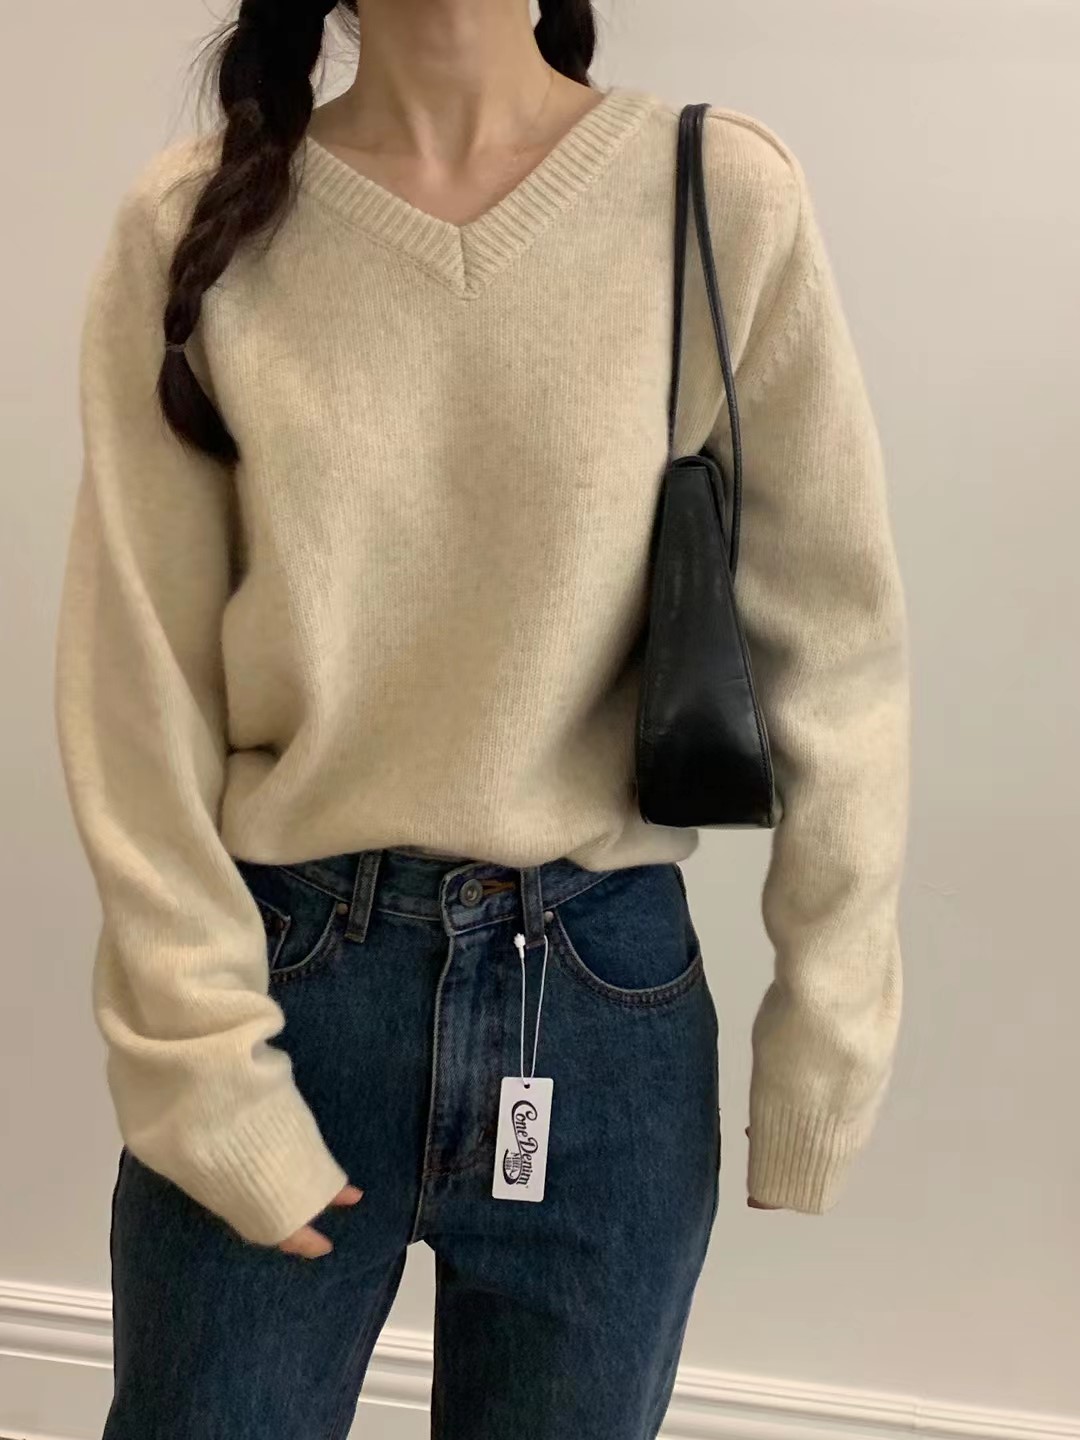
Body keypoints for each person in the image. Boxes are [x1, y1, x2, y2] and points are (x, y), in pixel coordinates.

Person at [53, 0, 911, 1435]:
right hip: (284, 989)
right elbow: (136, 682)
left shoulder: (714, 194)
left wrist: (828, 1029)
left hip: (605, 999)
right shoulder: (197, 220)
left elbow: (836, 646)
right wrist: (197, 1070)